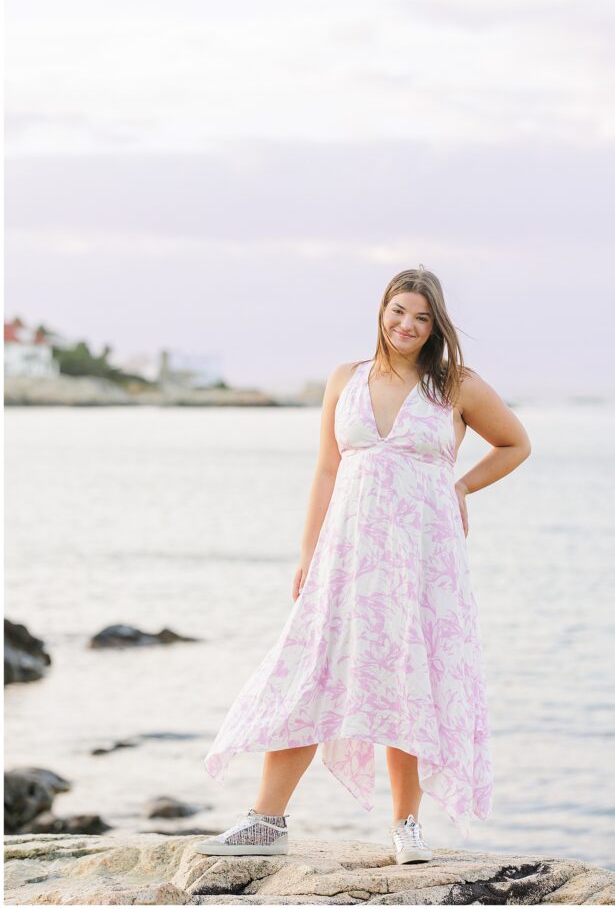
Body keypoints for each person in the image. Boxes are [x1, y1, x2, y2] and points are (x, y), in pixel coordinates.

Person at [195, 265, 532, 864]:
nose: (407, 324)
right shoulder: (345, 379)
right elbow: (327, 468)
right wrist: (308, 551)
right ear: (382, 311)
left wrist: (460, 488)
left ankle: (407, 827)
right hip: (346, 554)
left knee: (411, 678)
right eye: (398, 310)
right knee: (313, 669)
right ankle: (266, 821)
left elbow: (515, 444)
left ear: (435, 325)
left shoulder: (457, 385)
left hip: (424, 560)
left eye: (421, 317)